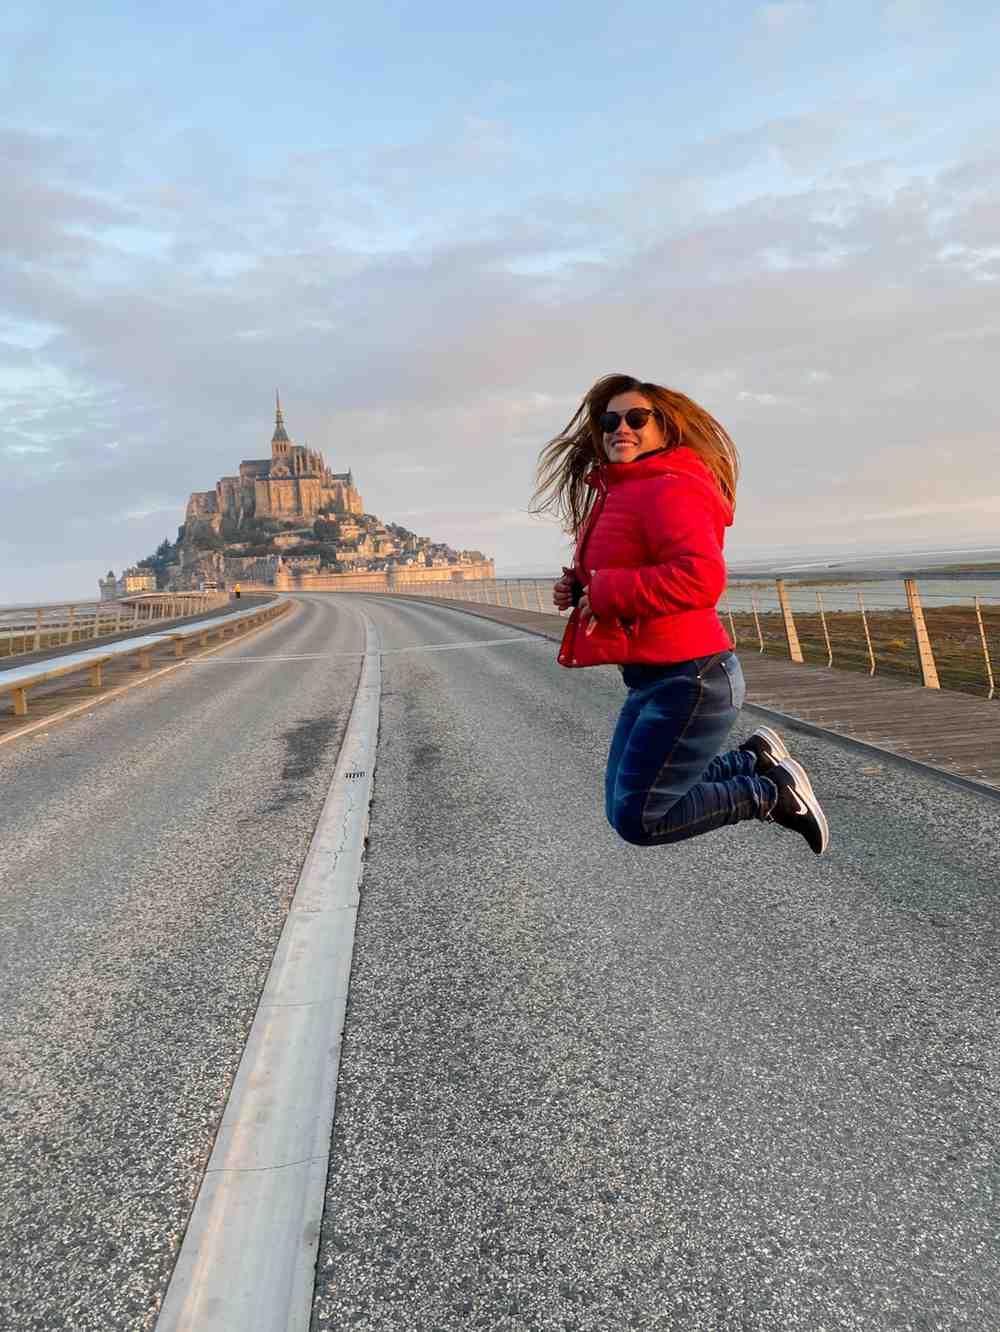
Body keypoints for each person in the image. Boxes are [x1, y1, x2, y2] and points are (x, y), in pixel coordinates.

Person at [530, 372, 829, 855]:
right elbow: (633, 568)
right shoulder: (623, 489)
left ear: (664, 430)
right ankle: (753, 760)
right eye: (610, 419)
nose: (619, 428)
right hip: (653, 678)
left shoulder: (670, 488)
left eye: (636, 418)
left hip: (691, 678)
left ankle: (772, 794)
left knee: (643, 818)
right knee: (623, 803)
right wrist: (582, 585)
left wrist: (607, 592)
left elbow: (699, 577)